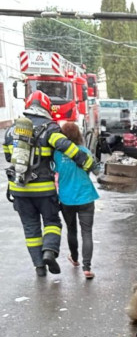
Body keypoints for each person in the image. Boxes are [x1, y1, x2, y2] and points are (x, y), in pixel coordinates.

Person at [3, 91, 96, 277]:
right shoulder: (50, 129)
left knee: (30, 228)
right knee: (52, 222)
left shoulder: (12, 130)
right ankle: (49, 251)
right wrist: (86, 162)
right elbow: (66, 147)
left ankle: (39, 267)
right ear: (46, 107)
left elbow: (8, 156)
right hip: (44, 190)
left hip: (19, 189)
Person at [53, 122, 100, 280]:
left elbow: (53, 171)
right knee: (87, 232)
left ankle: (74, 258)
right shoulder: (84, 151)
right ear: (78, 135)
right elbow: (95, 170)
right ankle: (87, 268)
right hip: (86, 196)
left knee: (71, 230)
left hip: (67, 198)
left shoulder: (57, 154)